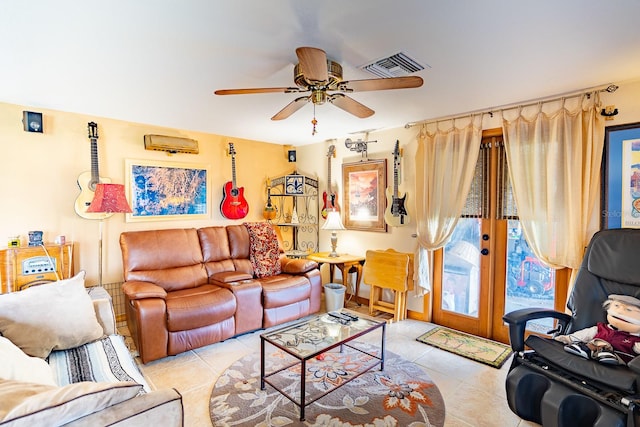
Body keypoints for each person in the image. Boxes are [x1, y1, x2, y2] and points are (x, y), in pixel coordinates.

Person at [554, 294, 640, 365]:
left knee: (609, 351)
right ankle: (584, 349)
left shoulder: (634, 339)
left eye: (629, 310)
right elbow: (585, 334)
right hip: (594, 348)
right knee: (595, 342)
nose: (620, 312)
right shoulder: (601, 328)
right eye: (616, 306)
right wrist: (568, 338)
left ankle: (607, 356)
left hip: (620, 357)